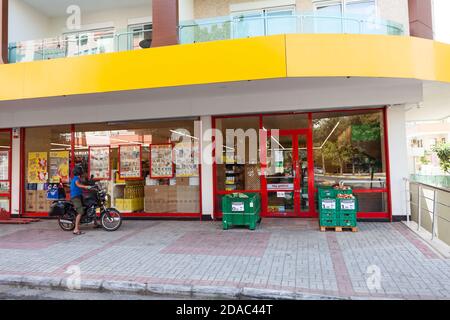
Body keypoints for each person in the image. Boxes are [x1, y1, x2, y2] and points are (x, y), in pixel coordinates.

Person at [71, 165, 92, 235]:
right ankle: (76, 229)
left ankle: (95, 223)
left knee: (88, 206)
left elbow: (82, 183)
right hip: (75, 197)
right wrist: (86, 187)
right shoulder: (76, 178)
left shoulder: (78, 178)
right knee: (80, 211)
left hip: (79, 196)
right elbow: (78, 185)